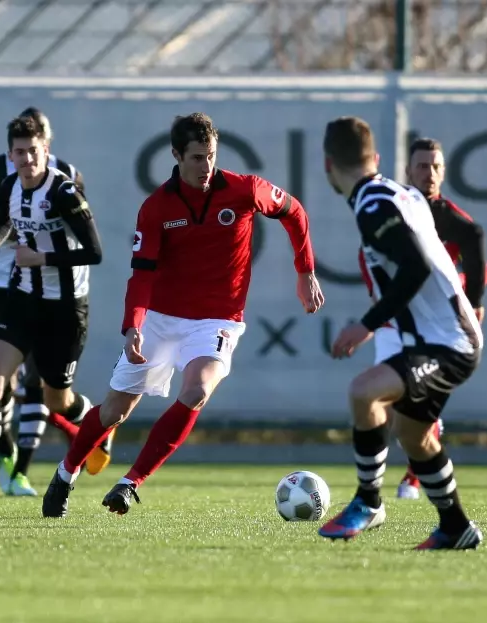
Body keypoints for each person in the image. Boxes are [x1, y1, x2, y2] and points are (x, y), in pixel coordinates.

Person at [42, 112, 325, 518]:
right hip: (160, 317)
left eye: (210, 155)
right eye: (195, 157)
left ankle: (129, 483)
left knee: (196, 391)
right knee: (113, 411)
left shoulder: (245, 190)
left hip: (217, 319)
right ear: (175, 155)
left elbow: (294, 212)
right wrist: (133, 326)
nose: (205, 166)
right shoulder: (157, 207)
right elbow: (141, 275)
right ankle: (65, 474)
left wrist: (306, 271)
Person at [317, 116, 484, 550]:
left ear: (328, 165)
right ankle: (456, 527)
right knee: (415, 436)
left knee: (363, 392)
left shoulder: (373, 205)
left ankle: (368, 502)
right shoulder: (396, 191)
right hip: (440, 337)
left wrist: (366, 324)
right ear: (374, 158)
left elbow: (416, 265)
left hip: (448, 343)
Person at [0, 107, 108, 499]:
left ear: (46, 148)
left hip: (66, 307)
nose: (27, 159)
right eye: (19, 152)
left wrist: (42, 258)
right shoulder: (8, 185)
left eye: (33, 151)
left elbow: (94, 251)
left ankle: (96, 421)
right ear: (11, 154)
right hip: (21, 298)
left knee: (58, 399)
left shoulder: (65, 191)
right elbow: (7, 221)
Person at [390, 137, 487, 500]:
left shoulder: (455, 222)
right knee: (386, 403)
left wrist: (473, 300)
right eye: (421, 165)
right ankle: (377, 487)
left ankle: (411, 480)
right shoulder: (395, 212)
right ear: (407, 170)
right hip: (396, 318)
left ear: (444, 172)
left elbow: (477, 258)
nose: (428, 173)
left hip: (438, 327)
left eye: (435, 166)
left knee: (411, 400)